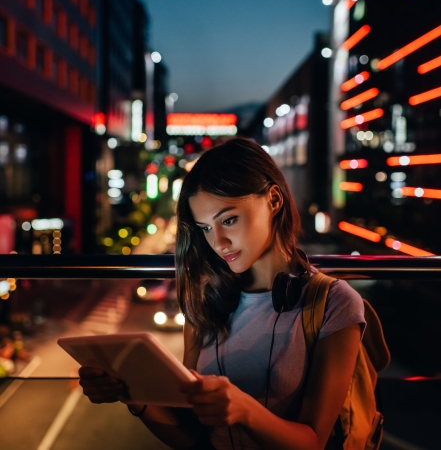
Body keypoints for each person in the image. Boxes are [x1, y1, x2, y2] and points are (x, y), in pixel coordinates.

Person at [79, 138, 365, 450]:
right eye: (204, 228)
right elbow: (192, 436)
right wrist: (132, 395)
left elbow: (313, 442)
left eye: (228, 220)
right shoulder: (205, 299)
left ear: (273, 200)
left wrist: (245, 412)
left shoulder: (333, 303)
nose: (219, 243)